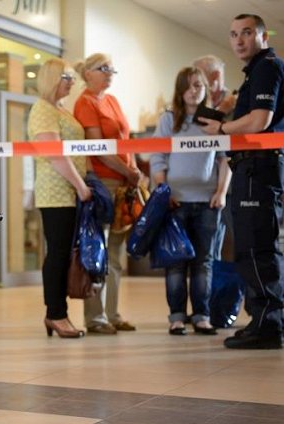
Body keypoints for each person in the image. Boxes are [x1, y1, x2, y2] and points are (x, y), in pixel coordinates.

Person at [200, 13, 284, 350]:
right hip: (254, 169)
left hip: (258, 169)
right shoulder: (258, 71)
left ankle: (268, 324)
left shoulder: (268, 66)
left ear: (262, 36)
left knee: (256, 249)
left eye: (246, 33)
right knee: (253, 247)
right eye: (234, 34)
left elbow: (260, 121)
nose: (238, 40)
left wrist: (222, 129)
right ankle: (265, 320)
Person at [150, 67, 231, 336]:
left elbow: (224, 160)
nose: (194, 90)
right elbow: (158, 158)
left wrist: (220, 192)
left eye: (199, 85)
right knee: (175, 263)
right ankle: (176, 316)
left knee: (204, 262)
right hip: (176, 201)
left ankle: (202, 315)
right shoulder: (169, 120)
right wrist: (163, 193)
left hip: (207, 202)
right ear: (179, 90)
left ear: (206, 89)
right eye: (189, 86)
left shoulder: (215, 121)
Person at [73, 53, 139, 335]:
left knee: (116, 253)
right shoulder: (85, 102)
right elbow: (99, 147)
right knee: (96, 252)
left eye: (112, 68)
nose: (110, 73)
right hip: (103, 183)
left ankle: (113, 313)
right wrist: (127, 171)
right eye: (104, 69)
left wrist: (133, 170)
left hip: (124, 182)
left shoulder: (111, 100)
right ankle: (95, 317)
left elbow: (125, 140)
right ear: (88, 73)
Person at [29, 58, 89, 339]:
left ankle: (57, 312)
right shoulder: (42, 109)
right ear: (52, 78)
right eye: (66, 76)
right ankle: (55, 314)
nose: (71, 81)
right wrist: (80, 186)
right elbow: (54, 153)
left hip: (68, 191)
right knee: (58, 254)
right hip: (56, 191)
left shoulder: (60, 109)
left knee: (63, 253)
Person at [192, 55, 237, 260]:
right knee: (209, 248)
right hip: (204, 186)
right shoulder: (199, 106)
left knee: (239, 239)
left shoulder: (239, 103)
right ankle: (213, 291)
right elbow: (196, 133)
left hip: (234, 184)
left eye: (200, 77)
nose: (195, 84)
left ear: (216, 76)